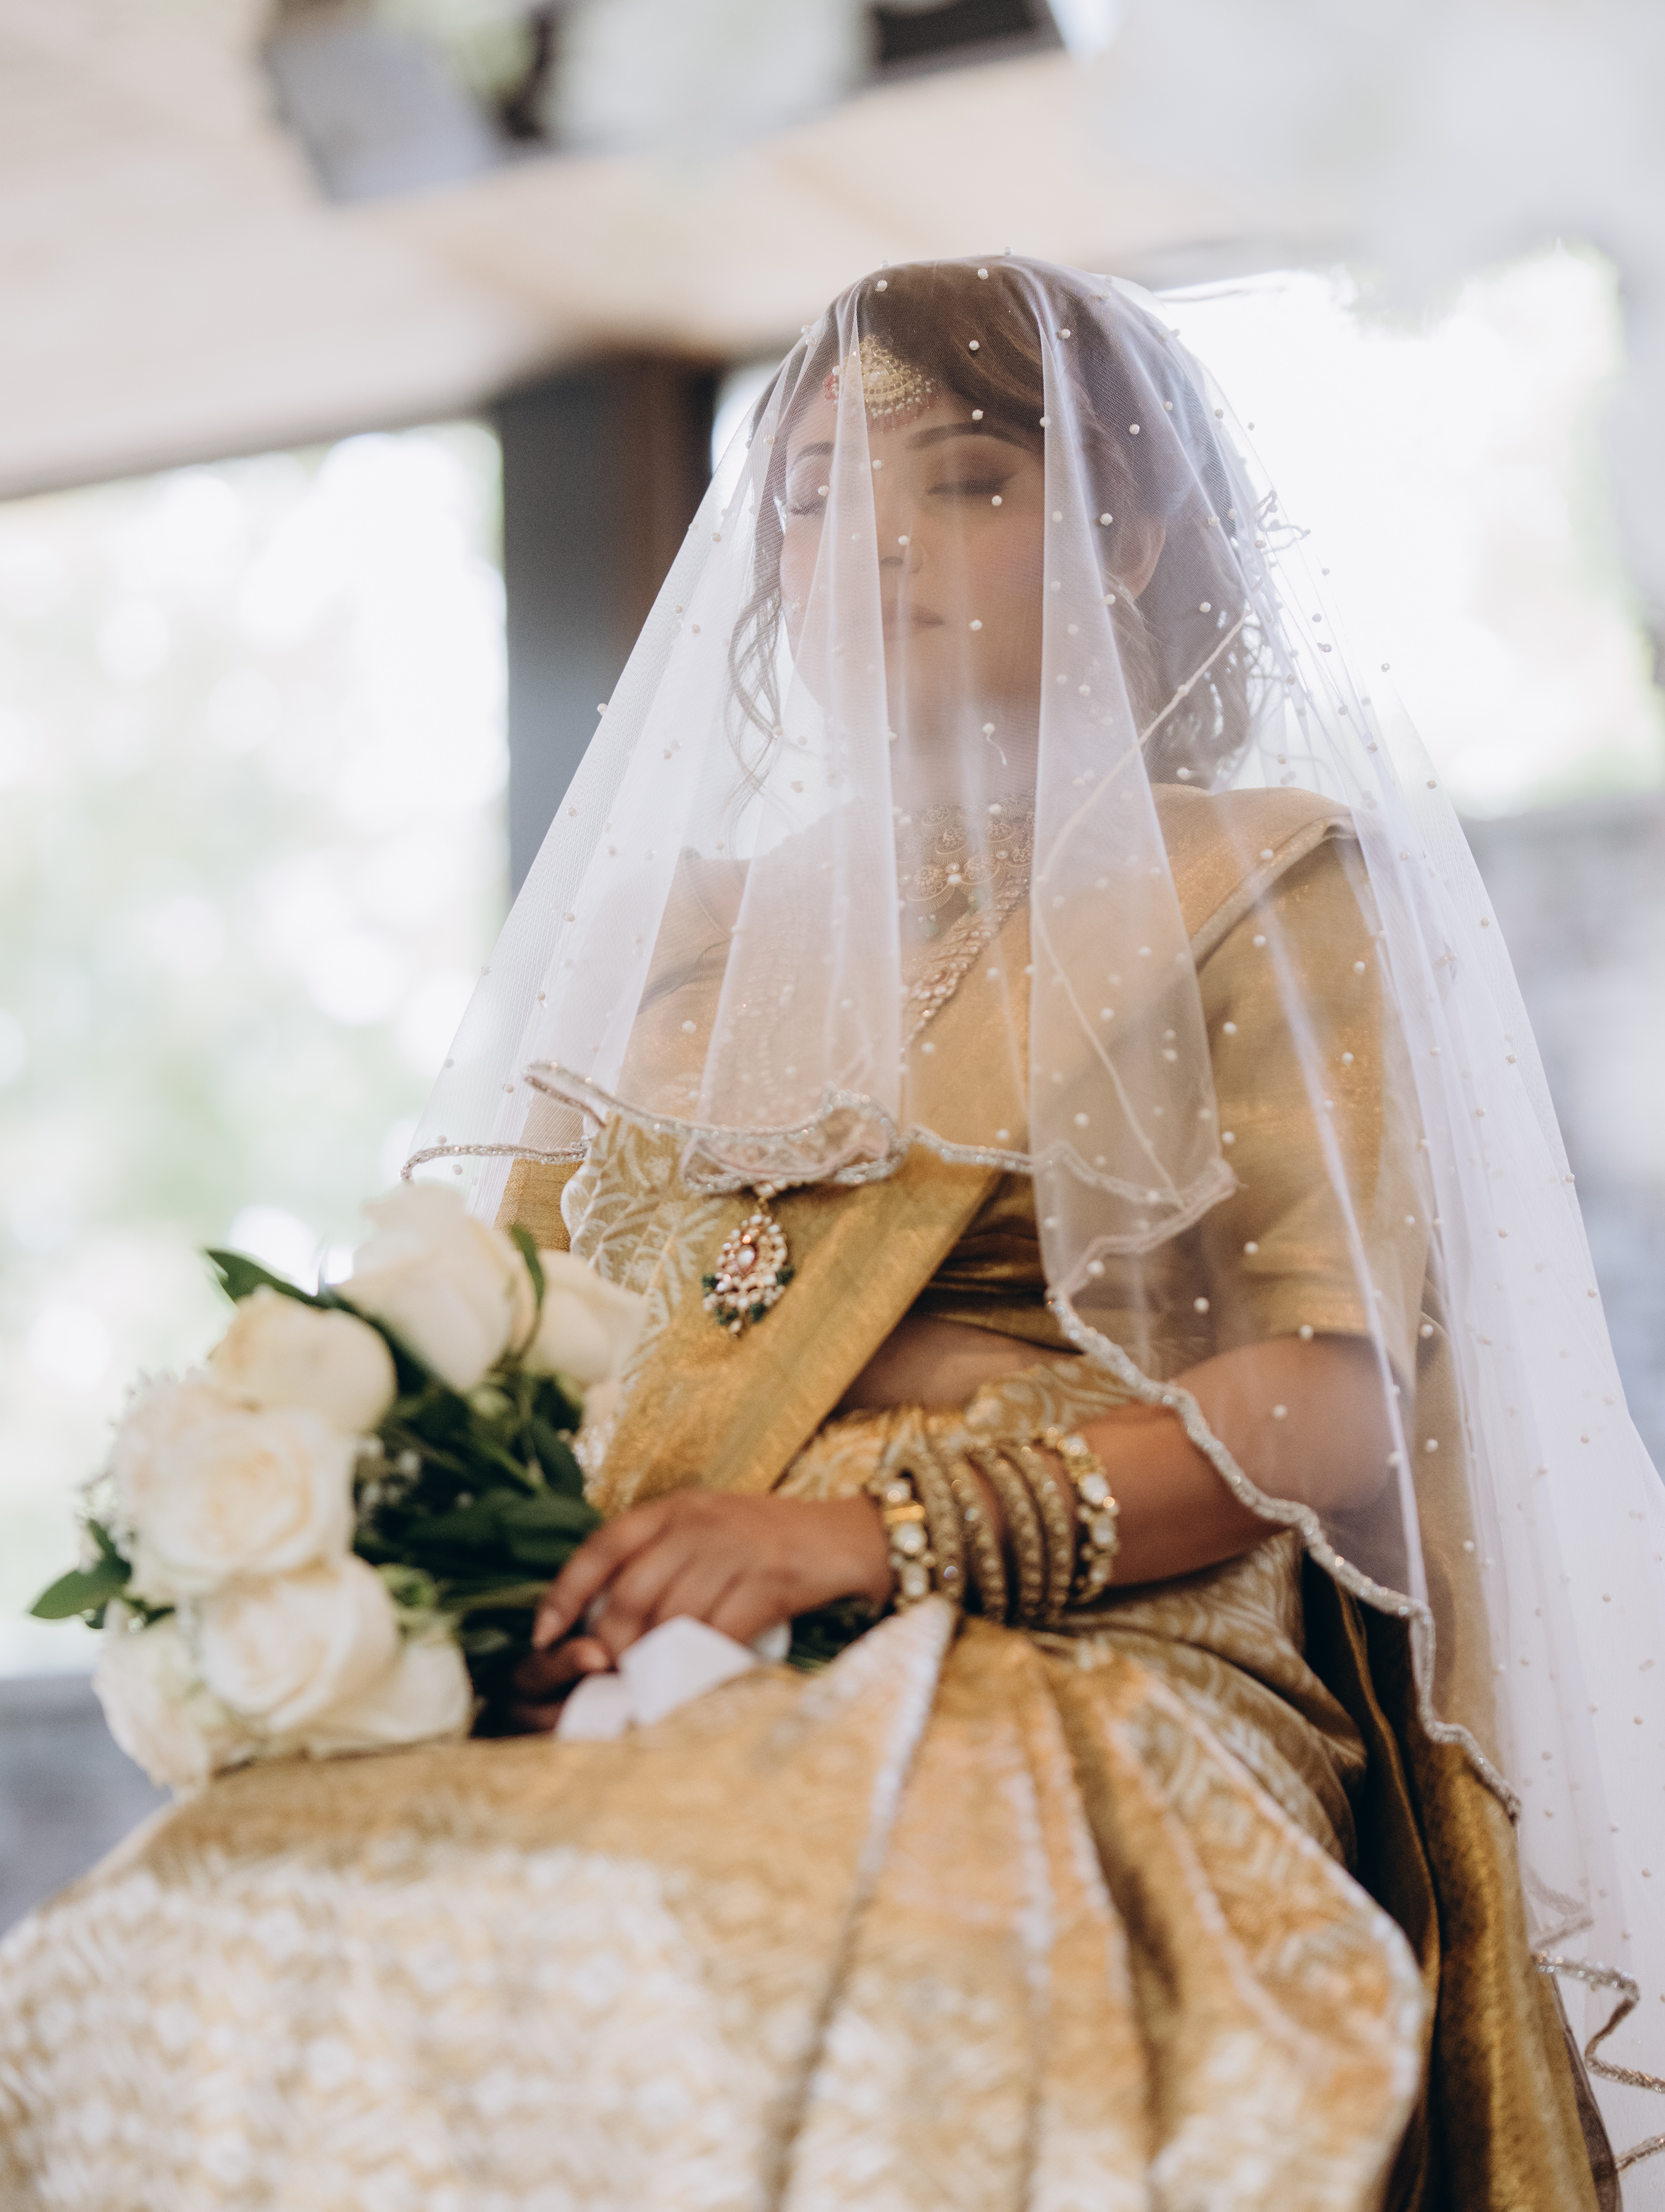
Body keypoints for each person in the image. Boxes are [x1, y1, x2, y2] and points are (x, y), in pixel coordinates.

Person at [2, 258, 1661, 2210]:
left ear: (1127, 539)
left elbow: (1340, 1399)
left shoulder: (1257, 882)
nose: (869, 545)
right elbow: (518, 1354)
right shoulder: (674, 942)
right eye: (807, 499)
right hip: (647, 1620)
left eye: (964, 479)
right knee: (176, 1935)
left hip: (1083, 1638)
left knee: (814, 1922)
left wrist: (875, 1539)